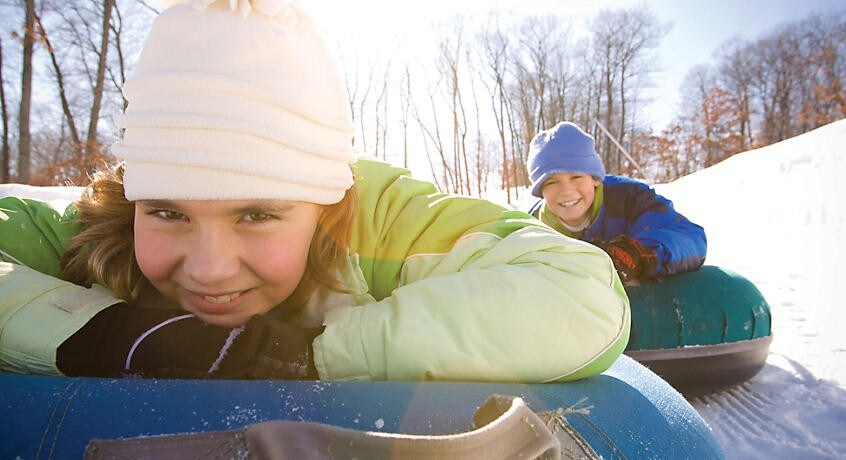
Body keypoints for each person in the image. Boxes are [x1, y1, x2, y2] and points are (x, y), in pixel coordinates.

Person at [0, 1, 628, 382]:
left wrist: (303, 356)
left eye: (258, 214)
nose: (210, 269)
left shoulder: (383, 225)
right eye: (166, 211)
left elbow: (579, 295)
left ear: (325, 202)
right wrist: (106, 333)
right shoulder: (97, 228)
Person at [527, 122, 707, 284]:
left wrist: (638, 253)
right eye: (551, 182)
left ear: (595, 179)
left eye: (576, 177)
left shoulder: (629, 198)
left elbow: (690, 238)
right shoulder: (531, 230)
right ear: (540, 192)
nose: (566, 190)